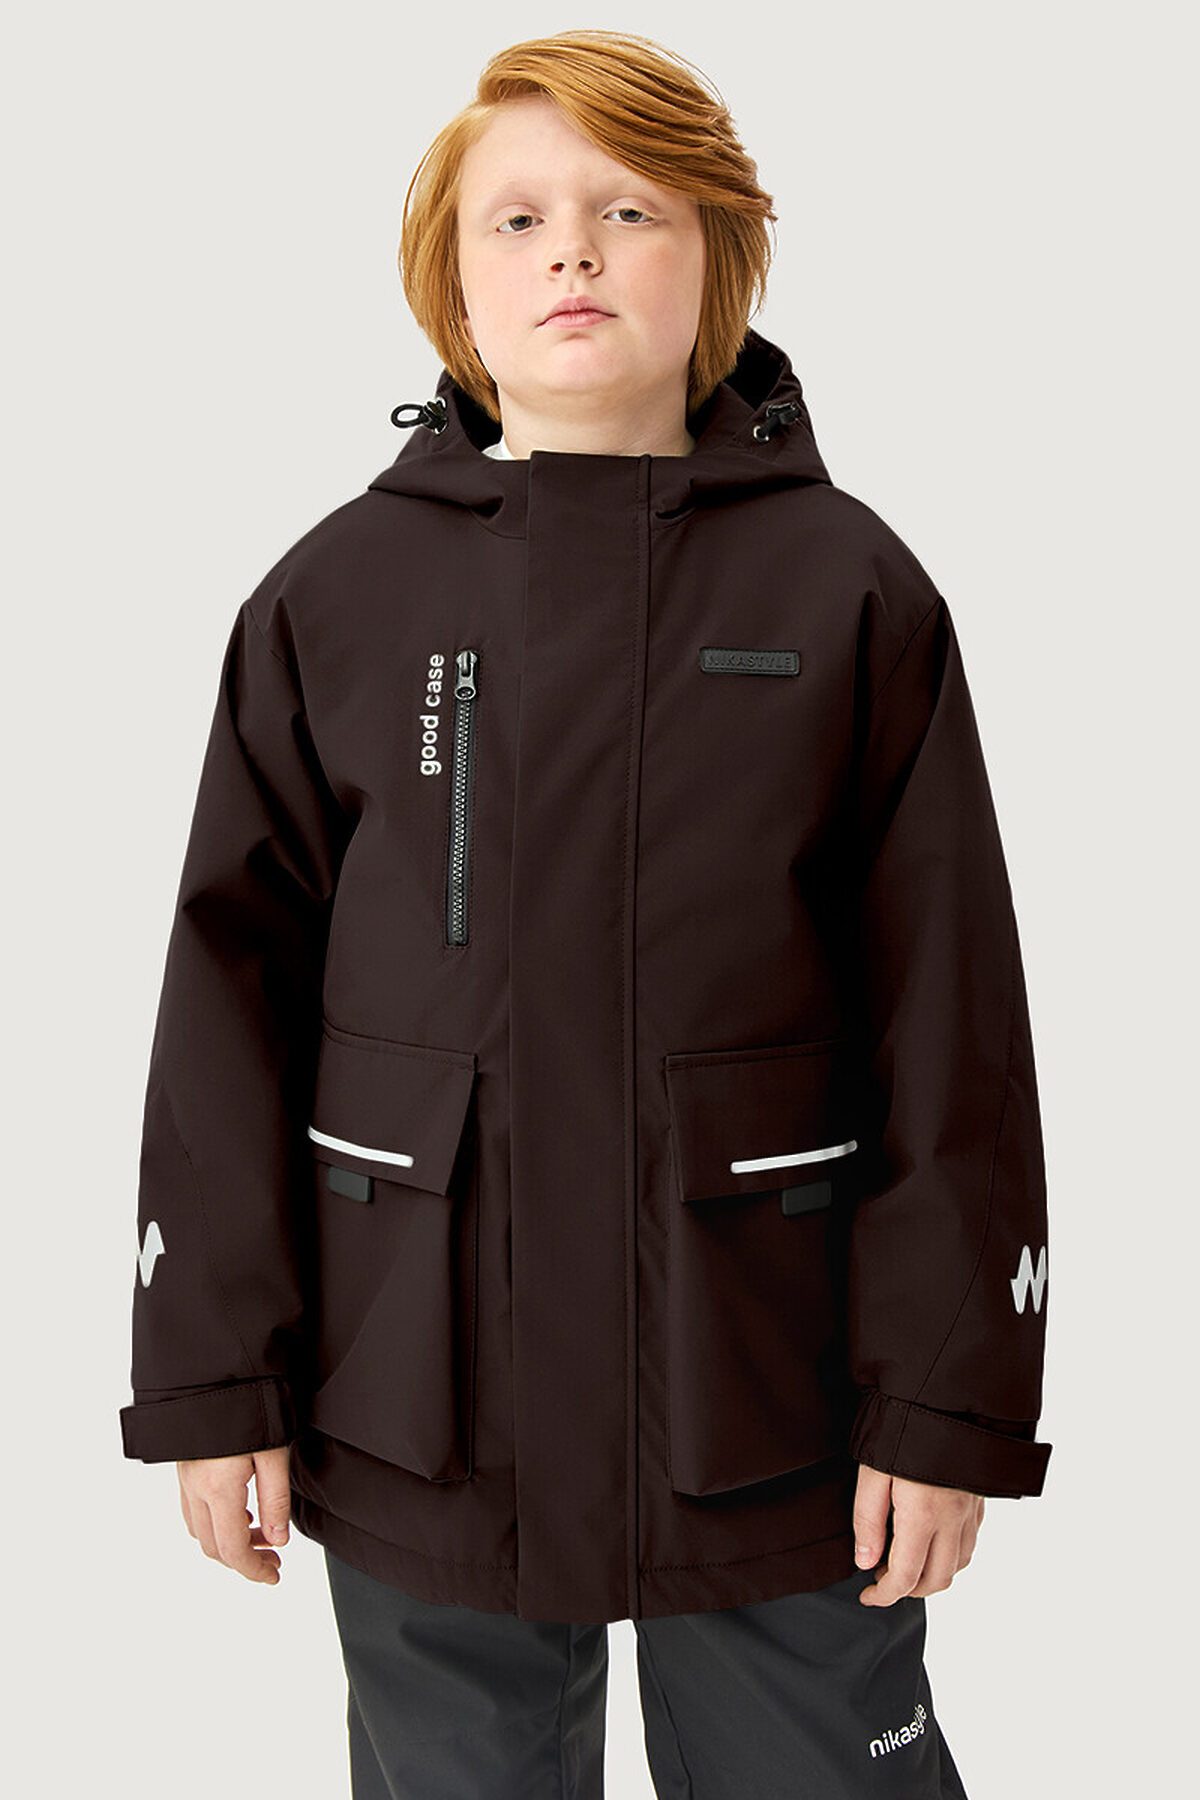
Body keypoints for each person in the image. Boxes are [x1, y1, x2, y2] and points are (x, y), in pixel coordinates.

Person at [118, 28, 1053, 1799]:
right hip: (421, 1395)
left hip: (771, 1391)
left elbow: (953, 1018)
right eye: (520, 220)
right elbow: (227, 1002)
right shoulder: (339, 594)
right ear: (454, 287)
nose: (573, 252)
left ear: (716, 260)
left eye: (631, 211)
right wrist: (214, 1373)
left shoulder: (849, 589)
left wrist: (948, 1398)